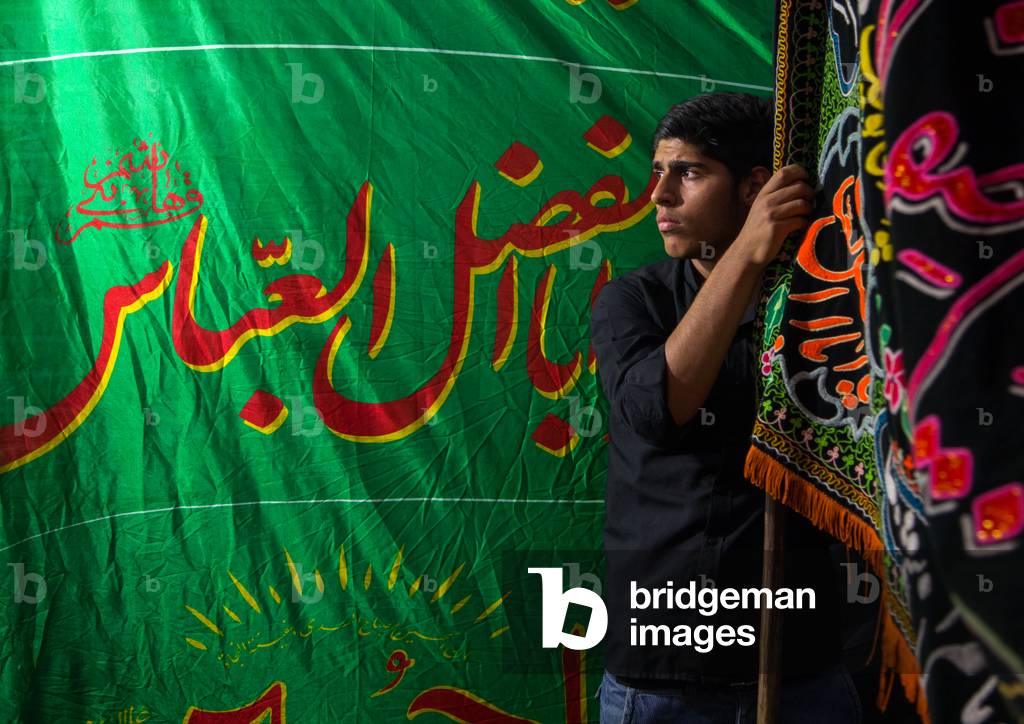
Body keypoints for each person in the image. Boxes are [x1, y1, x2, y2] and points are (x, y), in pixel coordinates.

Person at [590, 92, 862, 723]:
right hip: (662, 673)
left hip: (803, 666)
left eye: (688, 172)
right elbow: (658, 410)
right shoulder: (633, 301)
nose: (660, 195)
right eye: (658, 172)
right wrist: (748, 252)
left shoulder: (822, 310)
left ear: (754, 188)